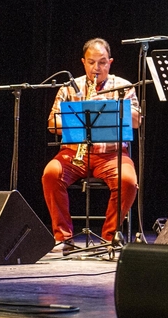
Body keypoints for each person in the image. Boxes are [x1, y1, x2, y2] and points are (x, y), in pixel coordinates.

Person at [42, 38, 140, 251]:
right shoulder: (70, 87)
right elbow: (52, 124)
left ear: (110, 62)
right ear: (83, 62)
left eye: (102, 62)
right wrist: (77, 119)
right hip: (74, 152)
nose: (97, 68)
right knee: (51, 174)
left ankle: (109, 237)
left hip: (112, 153)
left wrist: (105, 108)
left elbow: (136, 121)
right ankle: (63, 237)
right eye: (92, 62)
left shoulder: (123, 86)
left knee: (128, 182)